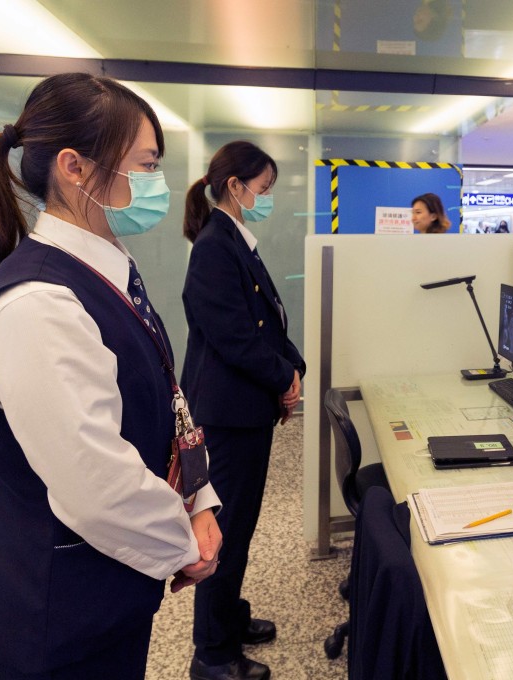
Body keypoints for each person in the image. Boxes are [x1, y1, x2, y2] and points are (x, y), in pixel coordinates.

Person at [0, 72, 222, 680]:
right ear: (74, 166)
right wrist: (185, 543)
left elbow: (166, 400)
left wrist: (202, 500)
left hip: (103, 602)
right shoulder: (39, 303)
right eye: (145, 165)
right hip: (46, 630)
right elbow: (97, 482)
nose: (157, 184)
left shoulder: (106, 268)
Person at [182, 141, 306, 680]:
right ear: (235, 185)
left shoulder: (234, 240)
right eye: (264, 188)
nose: (267, 198)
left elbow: (267, 319)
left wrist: (291, 367)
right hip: (227, 417)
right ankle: (213, 654)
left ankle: (229, 618)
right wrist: (282, 377)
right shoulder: (215, 245)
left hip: (243, 409)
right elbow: (234, 336)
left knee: (240, 526)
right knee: (224, 535)